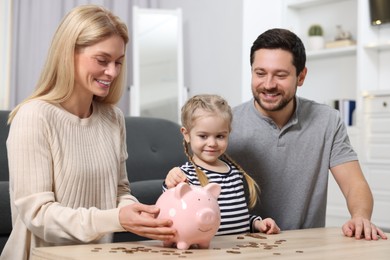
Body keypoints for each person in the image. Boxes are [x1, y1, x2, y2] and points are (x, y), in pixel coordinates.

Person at [2, 5, 175, 260]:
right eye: (102, 60)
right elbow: (38, 215)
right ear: (68, 54)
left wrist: (135, 213)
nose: (113, 72)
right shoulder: (34, 116)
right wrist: (116, 218)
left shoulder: (112, 118)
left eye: (118, 62)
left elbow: (120, 191)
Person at [227, 28, 387, 240]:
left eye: (280, 75)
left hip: (306, 245)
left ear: (301, 76)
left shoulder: (328, 121)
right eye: (260, 73)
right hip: (242, 244)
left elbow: (354, 184)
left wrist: (360, 216)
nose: (268, 84)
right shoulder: (226, 124)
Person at [163, 94, 280, 236]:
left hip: (240, 251)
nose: (212, 143)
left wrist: (257, 223)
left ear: (228, 134)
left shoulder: (235, 174)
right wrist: (170, 183)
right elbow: (171, 212)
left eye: (220, 136)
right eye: (203, 136)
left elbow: (238, 220)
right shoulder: (184, 176)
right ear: (186, 134)